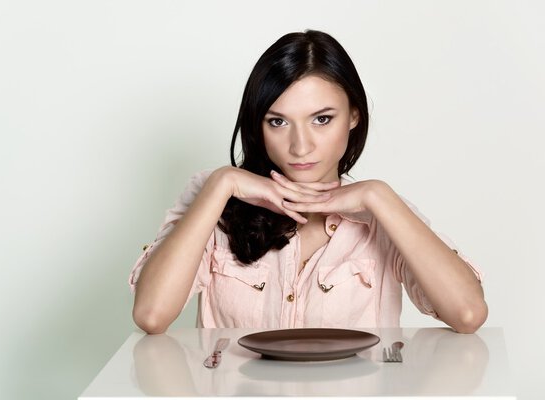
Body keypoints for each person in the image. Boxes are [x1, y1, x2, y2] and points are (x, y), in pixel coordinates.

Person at [129, 30, 487, 335]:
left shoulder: (382, 213)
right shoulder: (214, 199)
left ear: (354, 116)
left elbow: (467, 314)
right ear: (258, 125)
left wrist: (379, 196)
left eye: (321, 119)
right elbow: (151, 315)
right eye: (278, 122)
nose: (301, 146)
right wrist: (222, 184)